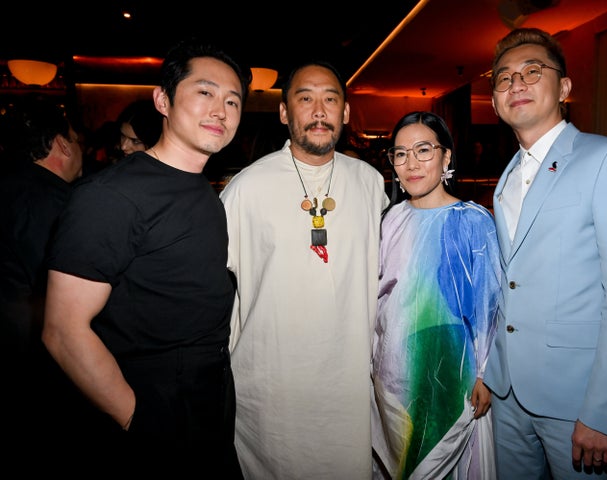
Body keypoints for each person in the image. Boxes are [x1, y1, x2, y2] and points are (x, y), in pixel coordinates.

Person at [41, 38, 250, 476]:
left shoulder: (206, 192)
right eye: (205, 92)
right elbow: (62, 330)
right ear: (163, 100)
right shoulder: (111, 195)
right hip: (152, 402)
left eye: (233, 101)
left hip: (208, 396)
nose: (221, 110)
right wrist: (138, 418)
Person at [482, 27, 607, 479]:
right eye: (503, 78)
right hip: (507, 396)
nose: (515, 84)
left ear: (564, 87)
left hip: (579, 402)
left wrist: (604, 412)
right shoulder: (504, 178)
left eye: (532, 71)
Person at [219, 60, 389, 479]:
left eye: (330, 99)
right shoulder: (246, 188)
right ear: (283, 113)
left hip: (348, 386)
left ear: (345, 113)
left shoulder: (370, 183)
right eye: (305, 98)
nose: (319, 110)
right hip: (273, 388)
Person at [371, 111, 501, 479]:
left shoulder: (474, 220)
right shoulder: (389, 220)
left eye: (423, 150)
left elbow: (490, 306)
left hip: (453, 373)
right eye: (399, 153)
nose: (410, 163)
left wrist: (486, 374)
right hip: (392, 374)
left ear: (446, 157)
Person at [0, 95, 88, 473]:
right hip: (36, 362)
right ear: (61, 144)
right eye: (77, 140)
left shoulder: (8, 185)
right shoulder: (55, 202)